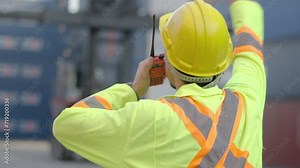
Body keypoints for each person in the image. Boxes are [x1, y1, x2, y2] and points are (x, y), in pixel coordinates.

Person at [53, 0, 265, 167]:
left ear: (167, 60)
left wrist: (134, 89)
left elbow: (66, 125)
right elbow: (250, 41)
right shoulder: (248, 100)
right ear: (225, 57)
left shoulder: (154, 118)